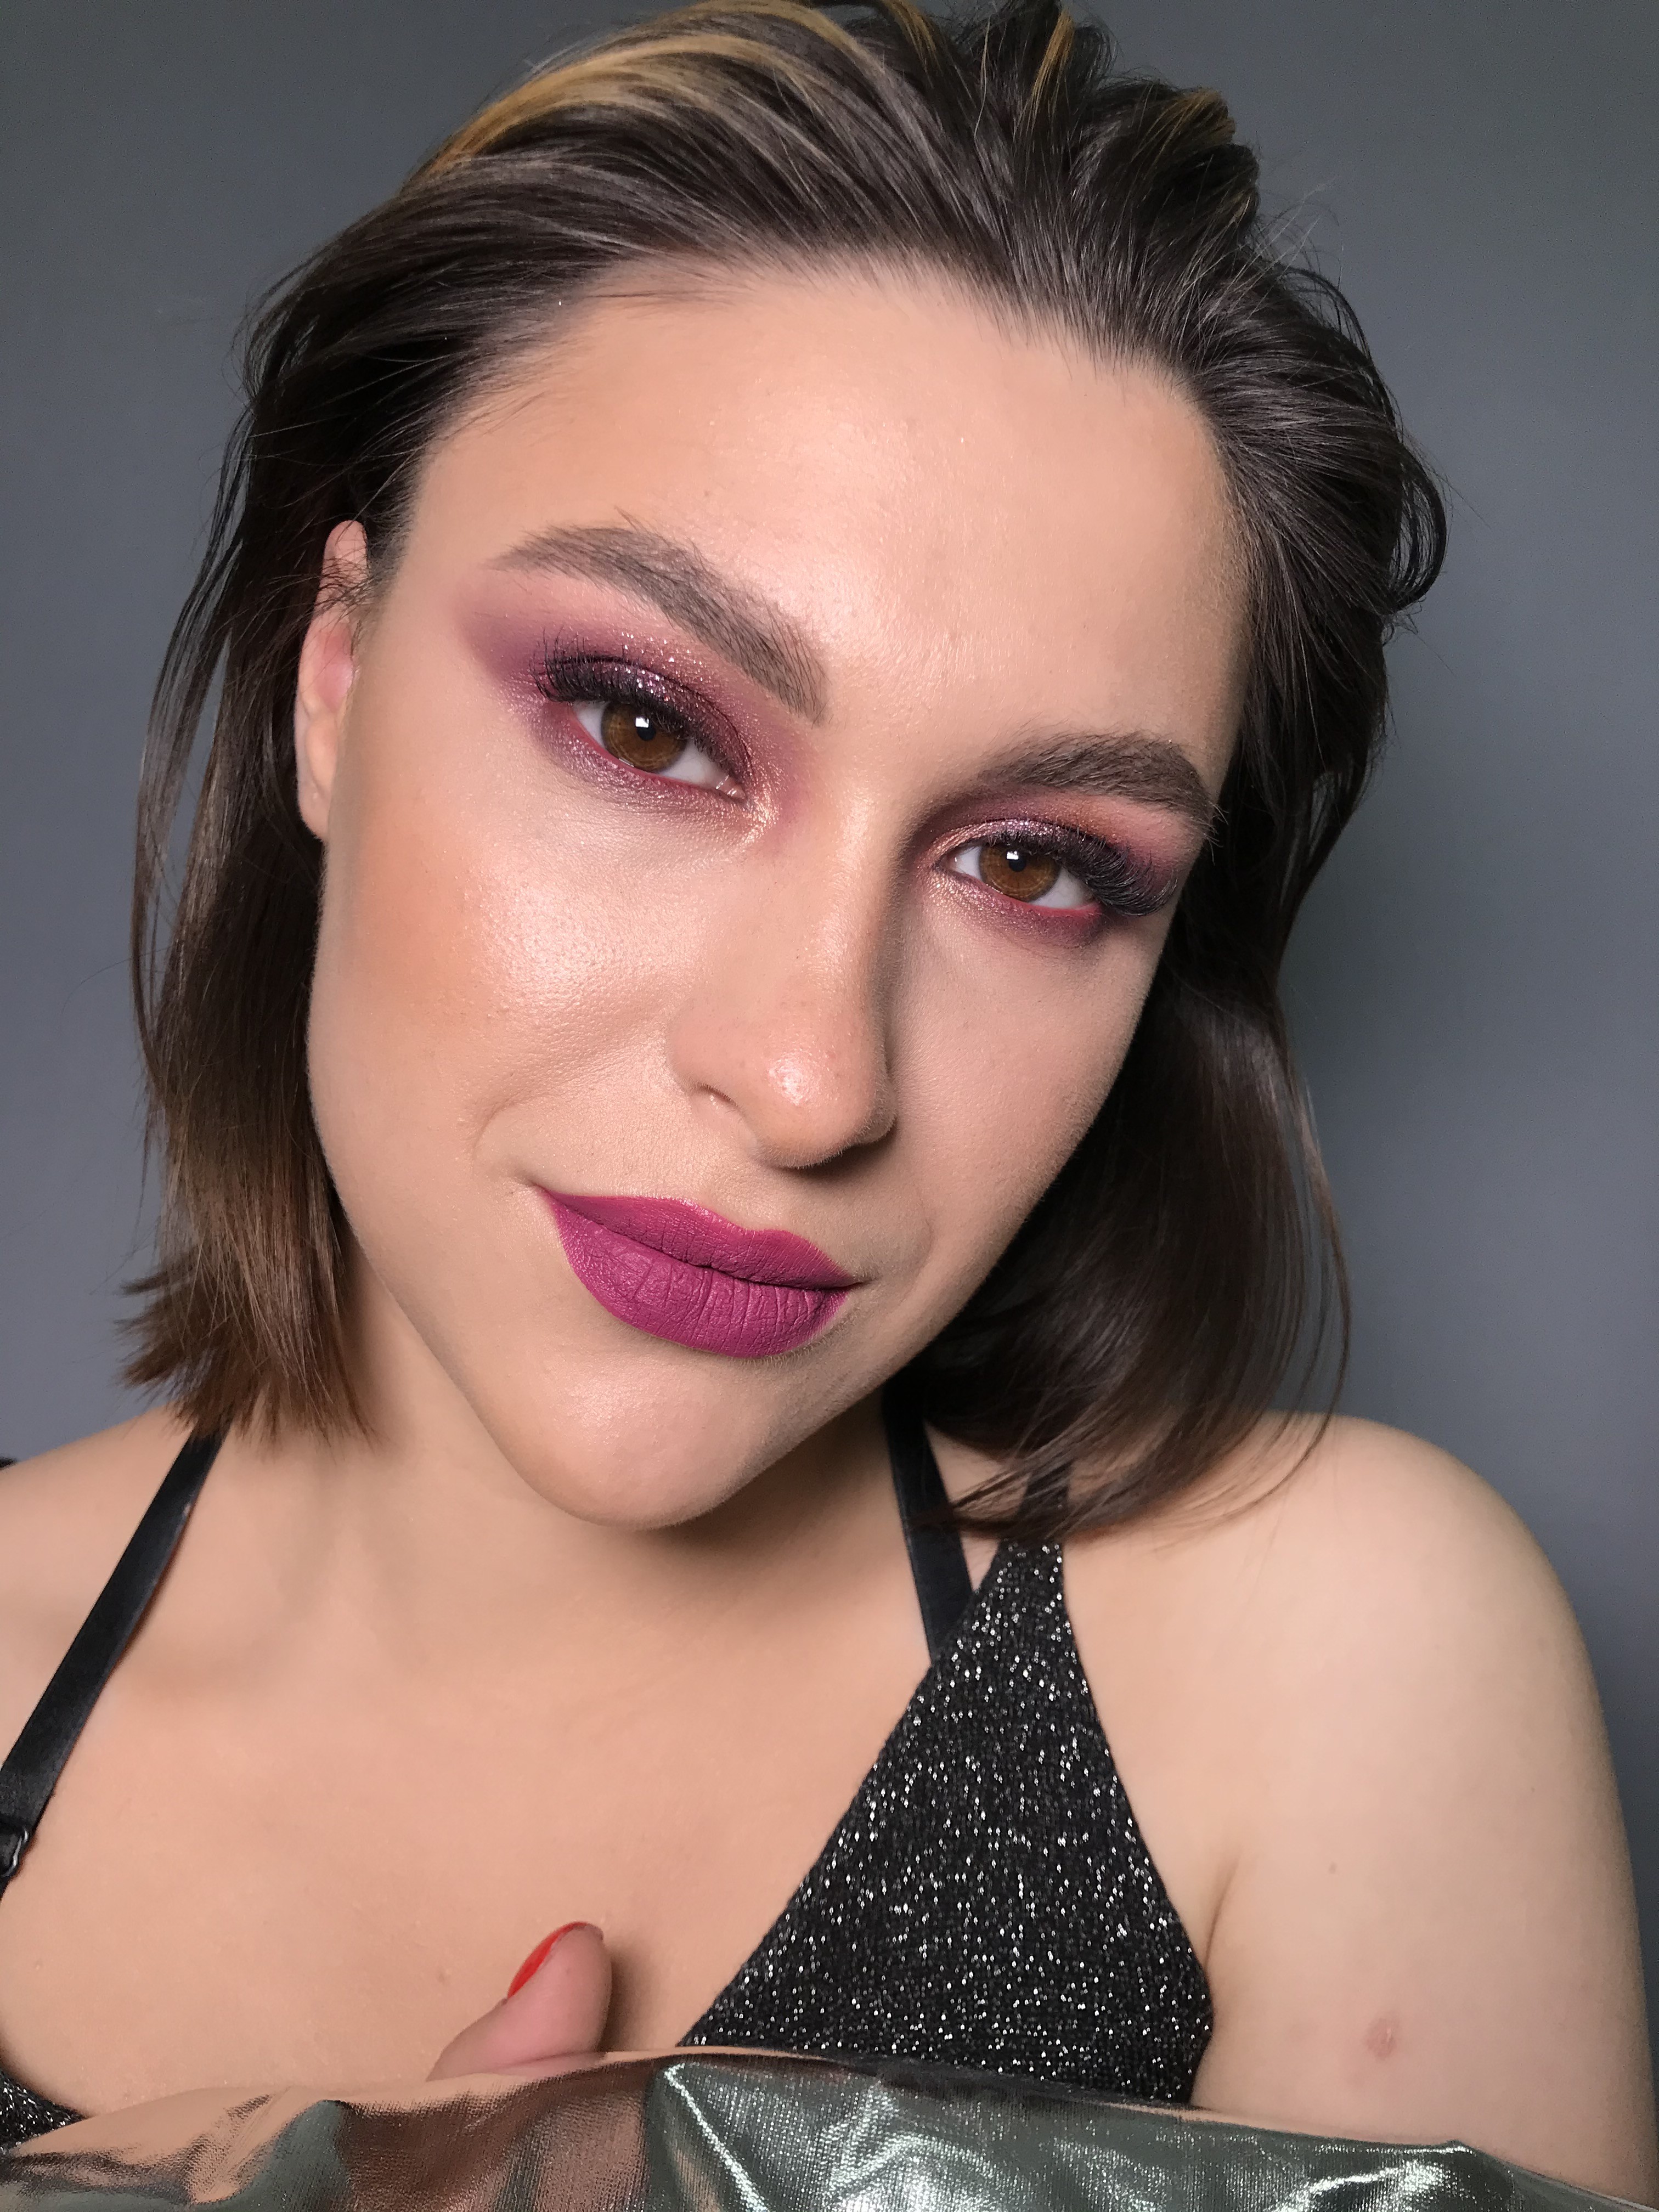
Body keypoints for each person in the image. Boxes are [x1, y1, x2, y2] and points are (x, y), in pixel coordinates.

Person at [0, 0, 1652, 2194]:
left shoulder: (1340, 1674)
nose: (809, 1081)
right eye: (648, 729)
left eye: (1032, 866)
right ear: (335, 682)